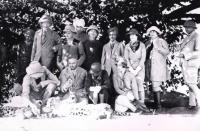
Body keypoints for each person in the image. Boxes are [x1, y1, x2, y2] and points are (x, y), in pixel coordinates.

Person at [176, 20, 200, 112]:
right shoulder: (187, 37)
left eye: (188, 27)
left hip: (192, 63)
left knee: (192, 84)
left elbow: (198, 52)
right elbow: (183, 47)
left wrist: (185, 55)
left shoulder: (197, 37)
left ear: (193, 28)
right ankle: (192, 104)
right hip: (185, 64)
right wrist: (178, 46)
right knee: (190, 84)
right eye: (185, 27)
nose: (186, 29)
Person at [145, 26, 169, 111]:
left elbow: (167, 52)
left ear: (157, 33)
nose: (152, 33)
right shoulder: (147, 42)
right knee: (153, 84)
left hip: (158, 65)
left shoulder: (161, 41)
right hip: (149, 65)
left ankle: (158, 106)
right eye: (150, 32)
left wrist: (159, 48)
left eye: (154, 32)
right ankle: (156, 104)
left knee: (156, 84)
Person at [124, 28, 146, 104]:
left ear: (137, 36)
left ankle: (142, 103)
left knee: (139, 83)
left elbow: (143, 58)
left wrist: (137, 70)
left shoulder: (142, 45)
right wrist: (131, 69)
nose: (132, 36)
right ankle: (134, 103)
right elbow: (126, 59)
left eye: (134, 35)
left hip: (140, 68)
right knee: (130, 85)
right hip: (130, 68)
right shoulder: (127, 46)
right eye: (130, 35)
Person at [13, 29, 35, 96]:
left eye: (30, 35)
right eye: (27, 34)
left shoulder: (34, 45)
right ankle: (19, 95)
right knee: (19, 81)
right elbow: (18, 58)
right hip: (22, 65)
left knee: (29, 81)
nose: (28, 36)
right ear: (24, 35)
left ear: (33, 36)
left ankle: (29, 96)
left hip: (30, 66)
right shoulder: (21, 45)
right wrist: (17, 68)